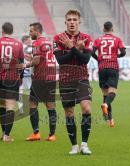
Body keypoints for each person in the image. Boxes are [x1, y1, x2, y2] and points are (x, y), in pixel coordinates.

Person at [53, 9, 93, 155]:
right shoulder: (58, 38)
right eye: (69, 20)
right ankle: (74, 146)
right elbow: (61, 60)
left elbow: (85, 59)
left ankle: (84, 144)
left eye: (74, 20)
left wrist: (71, 47)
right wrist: (76, 48)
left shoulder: (87, 38)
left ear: (79, 22)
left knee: (87, 108)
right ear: (65, 22)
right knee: (69, 113)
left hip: (82, 78)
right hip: (66, 80)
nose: (72, 22)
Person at [23, 22, 57, 142]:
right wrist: (32, 59)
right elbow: (42, 58)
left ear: (37, 31)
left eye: (31, 31)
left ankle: (36, 133)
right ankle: (52, 135)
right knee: (50, 106)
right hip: (51, 77)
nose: (30, 33)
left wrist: (26, 64)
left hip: (40, 78)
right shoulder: (49, 42)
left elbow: (37, 61)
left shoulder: (37, 43)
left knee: (32, 104)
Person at [0, 22, 24, 142]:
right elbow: (21, 62)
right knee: (10, 106)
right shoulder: (18, 44)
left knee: (2, 105)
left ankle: (2, 132)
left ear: (2, 30)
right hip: (12, 77)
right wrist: (20, 76)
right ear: (12, 31)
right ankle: (7, 135)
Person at [92, 21, 126, 127]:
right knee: (112, 92)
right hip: (113, 67)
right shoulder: (117, 39)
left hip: (102, 68)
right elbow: (123, 52)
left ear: (103, 29)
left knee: (105, 94)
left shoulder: (98, 40)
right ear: (112, 29)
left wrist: (99, 59)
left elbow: (91, 52)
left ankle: (109, 120)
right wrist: (117, 56)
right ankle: (105, 105)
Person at [18, 35, 33, 114]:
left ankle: (21, 108)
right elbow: (31, 57)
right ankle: (30, 106)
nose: (30, 41)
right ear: (25, 40)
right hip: (28, 73)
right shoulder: (29, 48)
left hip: (22, 73)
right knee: (31, 91)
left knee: (20, 91)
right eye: (29, 40)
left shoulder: (19, 48)